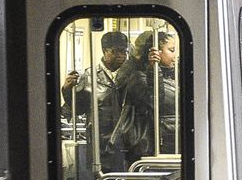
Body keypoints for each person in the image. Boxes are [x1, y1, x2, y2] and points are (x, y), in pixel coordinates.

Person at [61, 29, 130, 170]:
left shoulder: (132, 74)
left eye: (124, 51)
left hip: (127, 140)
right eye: (116, 51)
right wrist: (67, 90)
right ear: (105, 51)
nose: (121, 56)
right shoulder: (89, 76)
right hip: (101, 144)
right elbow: (78, 109)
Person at [112, 28, 179, 167]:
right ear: (156, 52)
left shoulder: (171, 76)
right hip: (150, 146)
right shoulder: (138, 78)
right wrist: (154, 69)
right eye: (171, 50)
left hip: (170, 142)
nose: (176, 55)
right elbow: (155, 102)